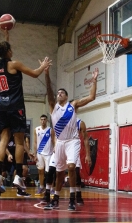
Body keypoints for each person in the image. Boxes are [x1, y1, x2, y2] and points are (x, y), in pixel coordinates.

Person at [0, 28, 51, 197]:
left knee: (3, 139)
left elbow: (5, 51)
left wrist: (6, 34)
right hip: (15, 105)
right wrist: (43, 66)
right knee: (19, 142)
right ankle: (17, 176)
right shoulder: (14, 64)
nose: (12, 49)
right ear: (8, 51)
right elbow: (34, 73)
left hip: (1, 105)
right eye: (10, 48)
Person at [43, 66, 98, 211]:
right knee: (59, 173)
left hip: (72, 141)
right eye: (58, 92)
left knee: (72, 168)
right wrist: (47, 74)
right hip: (60, 143)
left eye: (62, 93)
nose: (59, 94)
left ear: (66, 97)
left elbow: (91, 97)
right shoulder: (53, 107)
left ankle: (72, 199)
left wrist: (94, 80)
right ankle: (55, 199)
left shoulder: (72, 105)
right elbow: (49, 91)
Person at [33, 114, 55, 196]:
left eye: (44, 119)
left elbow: (53, 141)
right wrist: (34, 153)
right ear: (40, 120)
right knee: (40, 171)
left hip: (49, 154)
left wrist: (55, 149)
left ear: (47, 121)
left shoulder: (50, 130)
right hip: (39, 153)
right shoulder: (36, 129)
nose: (43, 121)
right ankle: (41, 187)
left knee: (49, 172)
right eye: (41, 119)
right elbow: (35, 142)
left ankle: (51, 188)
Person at [75, 118, 92, 205]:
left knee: (76, 172)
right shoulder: (61, 120)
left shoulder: (80, 123)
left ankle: (77, 195)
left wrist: (88, 155)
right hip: (62, 147)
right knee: (53, 171)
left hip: (73, 149)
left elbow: (85, 138)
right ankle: (51, 193)